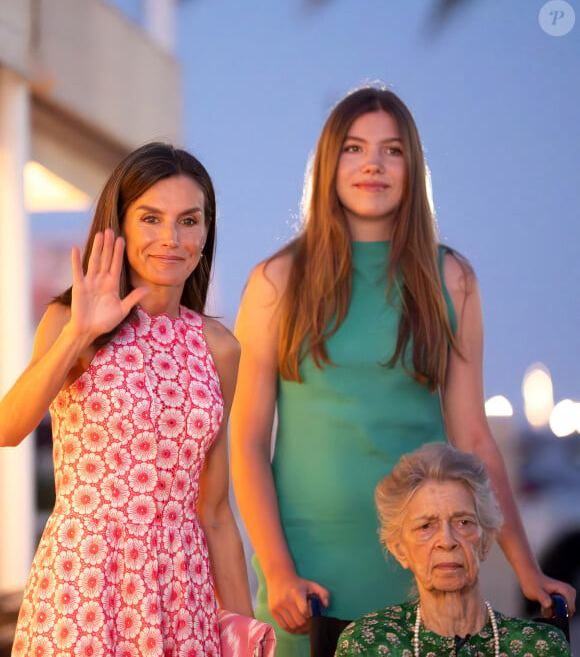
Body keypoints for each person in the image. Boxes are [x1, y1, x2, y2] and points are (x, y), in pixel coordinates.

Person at [230, 85, 576, 656]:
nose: (372, 164)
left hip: (425, 562)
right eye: (354, 148)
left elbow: (474, 440)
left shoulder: (452, 280)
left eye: (392, 150)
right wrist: (278, 570)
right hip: (308, 570)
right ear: (329, 165)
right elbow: (244, 443)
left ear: (412, 168)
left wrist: (526, 570)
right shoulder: (276, 282)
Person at [0, 142, 253, 656]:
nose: (171, 239)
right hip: (83, 584)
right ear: (120, 225)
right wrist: (78, 333)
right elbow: (8, 429)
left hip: (183, 596)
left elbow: (217, 511)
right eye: (151, 219)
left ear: (207, 232)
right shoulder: (69, 323)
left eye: (189, 221)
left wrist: (247, 633)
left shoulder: (220, 348)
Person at [335, 442, 571, 656]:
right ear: (399, 550)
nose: (447, 541)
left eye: (463, 522)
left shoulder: (541, 647)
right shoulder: (368, 645)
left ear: (486, 541)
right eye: (426, 526)